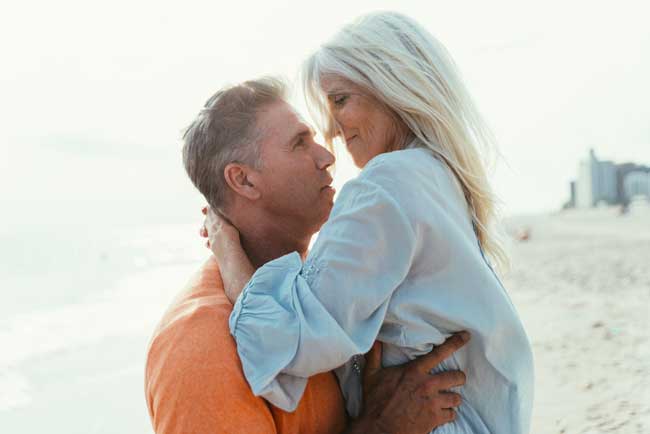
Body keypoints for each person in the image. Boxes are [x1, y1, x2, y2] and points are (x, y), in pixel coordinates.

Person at [203, 11, 535, 434]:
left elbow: (285, 345)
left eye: (340, 100)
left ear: (393, 89)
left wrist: (227, 251)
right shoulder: (436, 176)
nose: (332, 132)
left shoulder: (386, 184)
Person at [144, 77, 469, 434]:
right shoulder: (200, 346)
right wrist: (380, 428)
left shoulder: (333, 291)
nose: (328, 157)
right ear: (245, 181)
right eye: (300, 143)